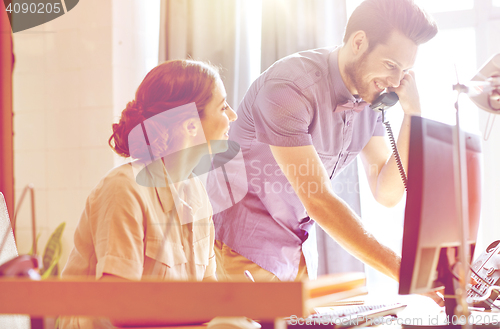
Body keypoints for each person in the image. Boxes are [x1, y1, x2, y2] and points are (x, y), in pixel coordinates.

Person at [208, 0, 438, 283]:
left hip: (299, 251)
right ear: (358, 42)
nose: (394, 81)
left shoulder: (370, 97)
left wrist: (413, 116)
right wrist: (403, 270)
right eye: (390, 64)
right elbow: (318, 199)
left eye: (404, 71)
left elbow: (386, 192)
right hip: (245, 248)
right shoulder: (290, 87)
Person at [60, 59, 237, 328]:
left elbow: (206, 291)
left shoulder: (196, 193)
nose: (232, 115)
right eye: (223, 107)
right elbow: (121, 313)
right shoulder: (124, 189)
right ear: (191, 126)